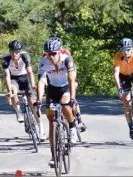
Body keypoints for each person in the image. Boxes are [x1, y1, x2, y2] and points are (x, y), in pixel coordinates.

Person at [35, 37, 78, 167]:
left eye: (54, 54)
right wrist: (39, 99)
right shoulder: (43, 61)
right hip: (52, 90)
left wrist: (72, 98)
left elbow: (71, 79)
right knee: (51, 122)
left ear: (59, 52)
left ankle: (72, 128)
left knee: (65, 105)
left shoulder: (67, 59)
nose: (51, 57)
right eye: (48, 54)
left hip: (66, 87)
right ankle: (54, 155)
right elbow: (41, 81)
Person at [2, 40, 46, 141]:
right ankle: (18, 111)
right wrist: (9, 91)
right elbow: (7, 76)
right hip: (13, 79)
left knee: (33, 104)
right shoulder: (5, 59)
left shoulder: (25, 56)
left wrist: (33, 85)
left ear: (20, 51)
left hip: (25, 78)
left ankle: (41, 130)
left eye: (17, 51)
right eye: (12, 51)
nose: (14, 54)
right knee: (13, 89)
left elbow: (30, 72)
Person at [41, 37, 87, 132]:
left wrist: (72, 94)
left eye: (54, 53)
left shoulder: (66, 53)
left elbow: (71, 74)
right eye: (49, 53)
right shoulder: (46, 56)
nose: (51, 55)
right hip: (54, 80)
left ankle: (78, 117)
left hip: (68, 75)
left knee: (70, 96)